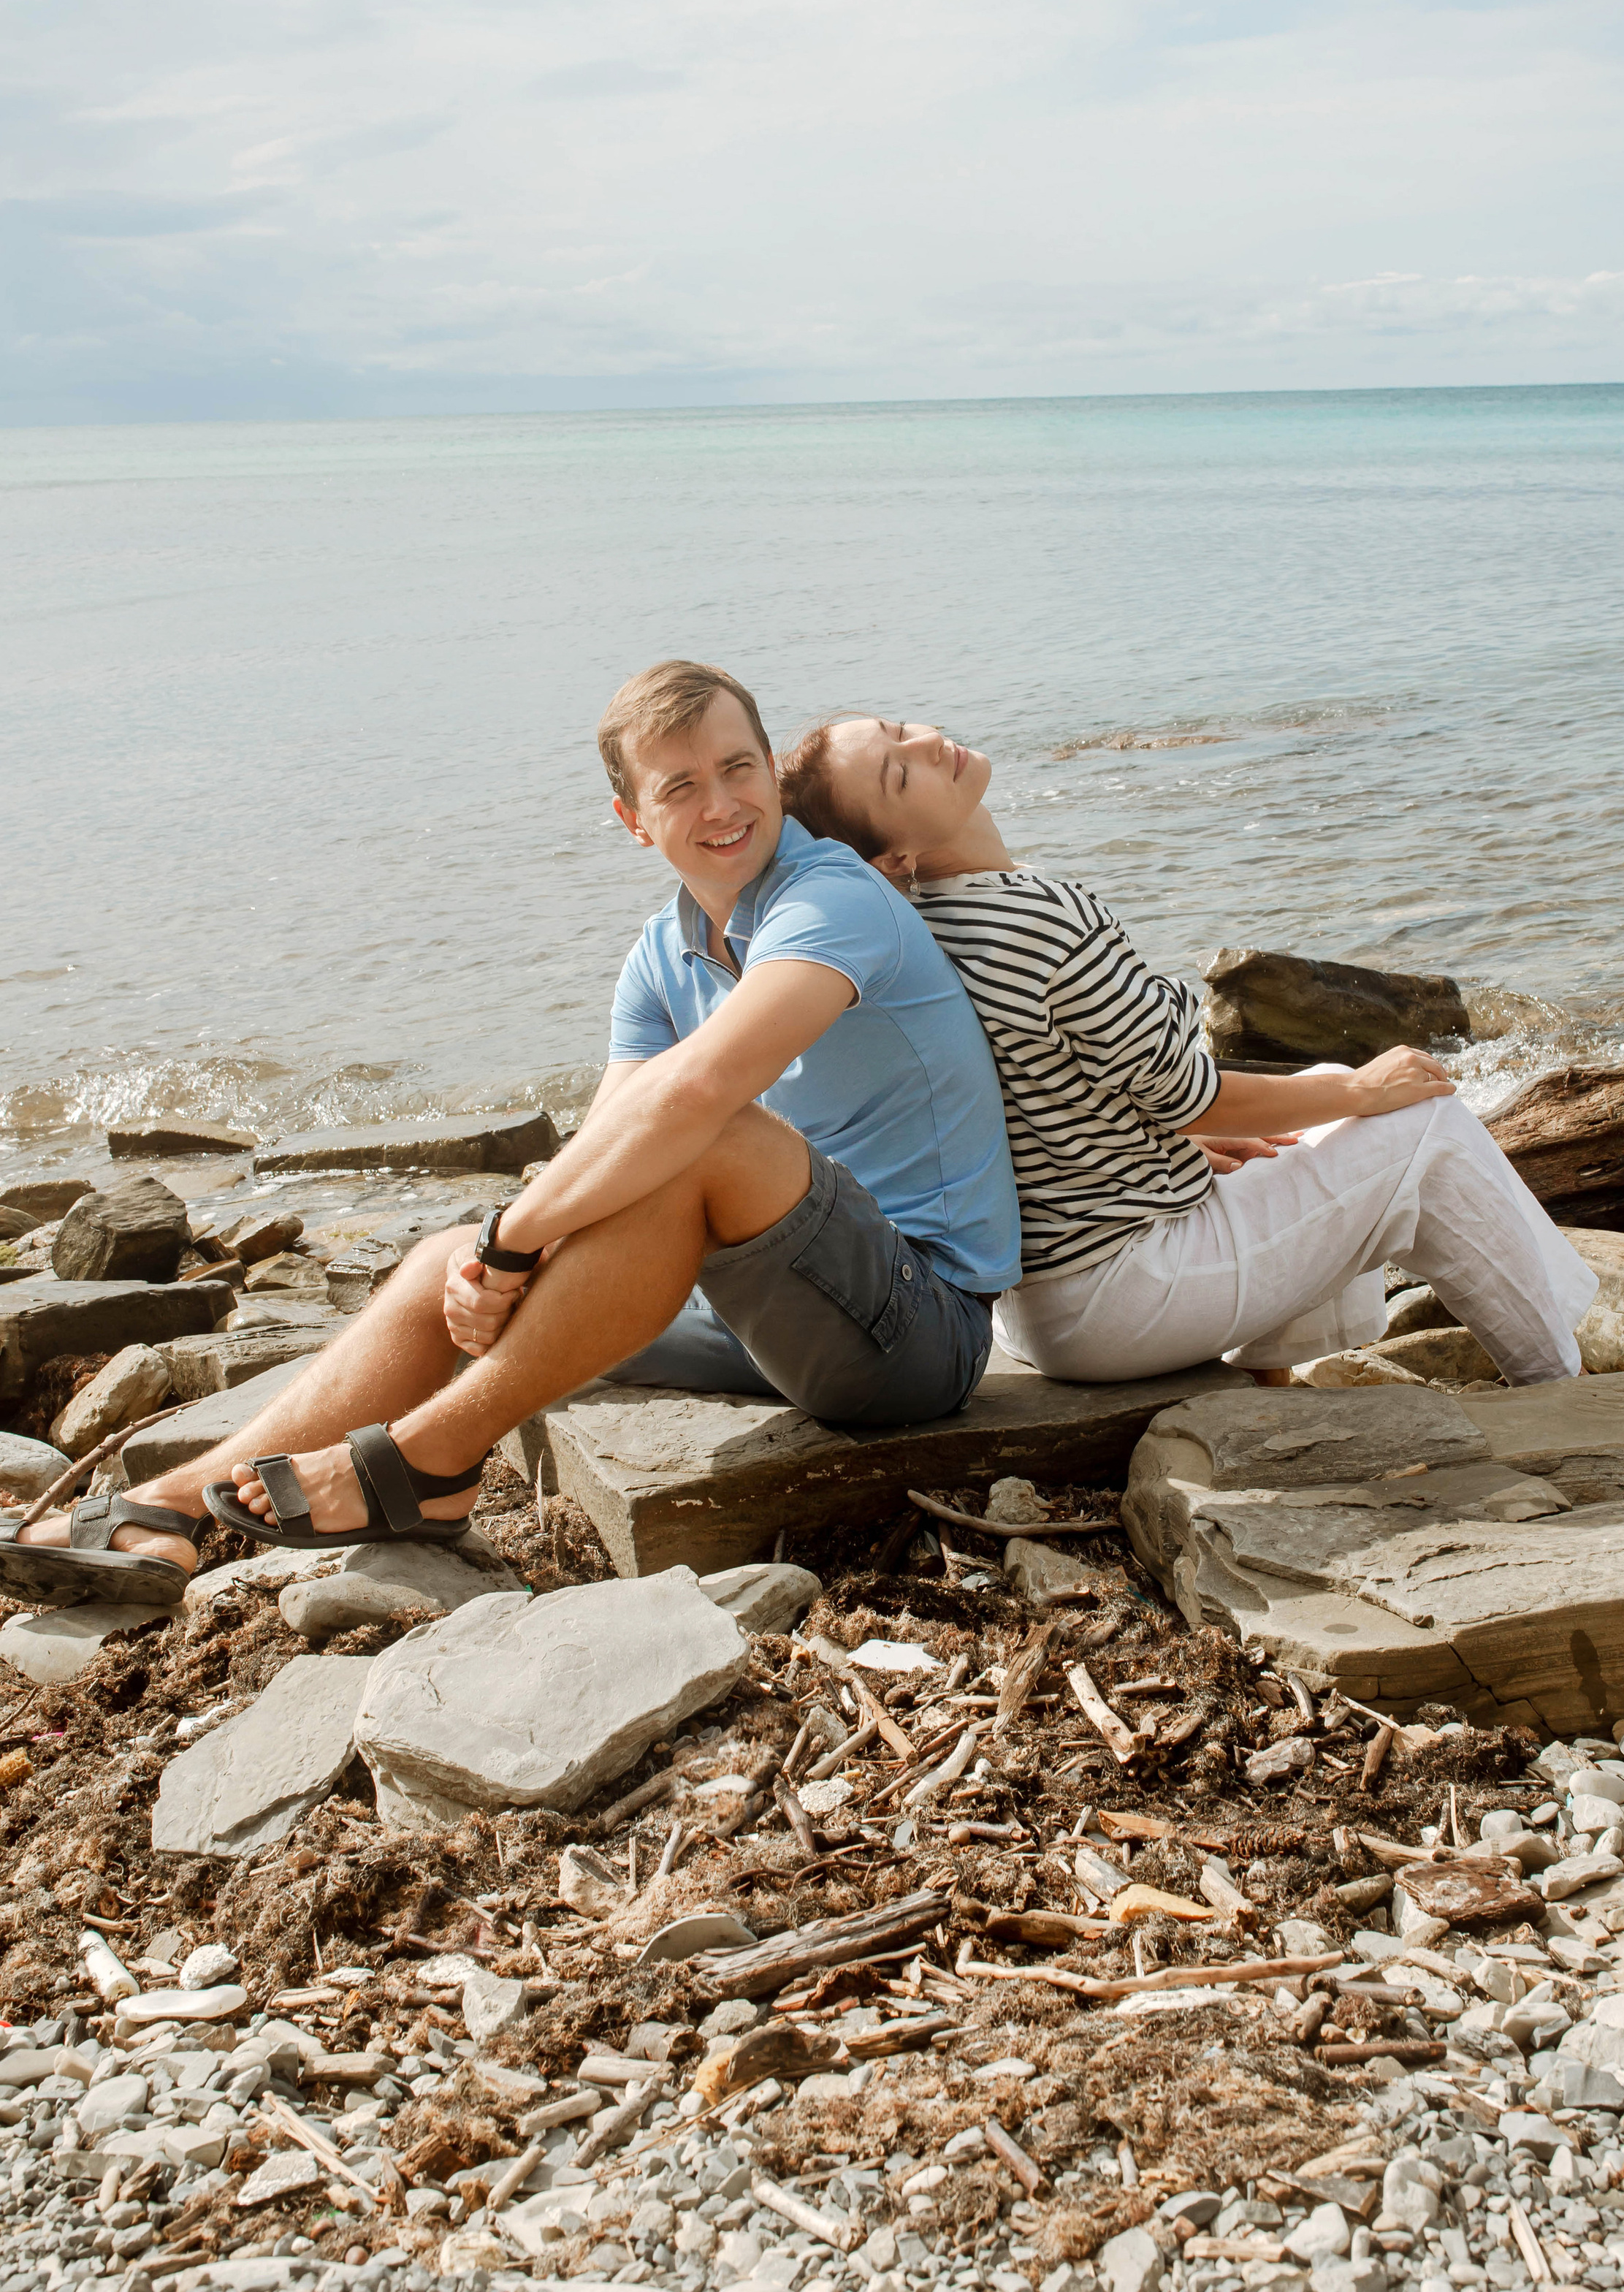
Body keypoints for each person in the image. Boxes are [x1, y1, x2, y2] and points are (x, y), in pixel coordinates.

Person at [0, 664, 1020, 1607]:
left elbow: (700, 1093)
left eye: (739, 768)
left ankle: (429, 1458)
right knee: (443, 1260)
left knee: (699, 1137)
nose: (721, 804)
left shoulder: (829, 899)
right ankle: (169, 1509)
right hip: (757, 1319)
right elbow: (609, 1143)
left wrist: (515, 1239)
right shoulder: (661, 955)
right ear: (633, 820)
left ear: (770, 774)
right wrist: (488, 1259)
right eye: (680, 786)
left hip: (915, 1329)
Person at [778, 715, 1596, 1385]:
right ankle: (1561, 1384)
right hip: (1124, 1291)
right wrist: (1359, 1095)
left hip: (1045, 1302)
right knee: (1424, 1122)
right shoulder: (1037, 921)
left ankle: (1270, 1380)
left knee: (1317, 1089)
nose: (928, 742)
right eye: (899, 773)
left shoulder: (931, 928)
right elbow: (1186, 1093)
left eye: (901, 728)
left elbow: (1048, 1092)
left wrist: (1197, 1131)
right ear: (896, 858)